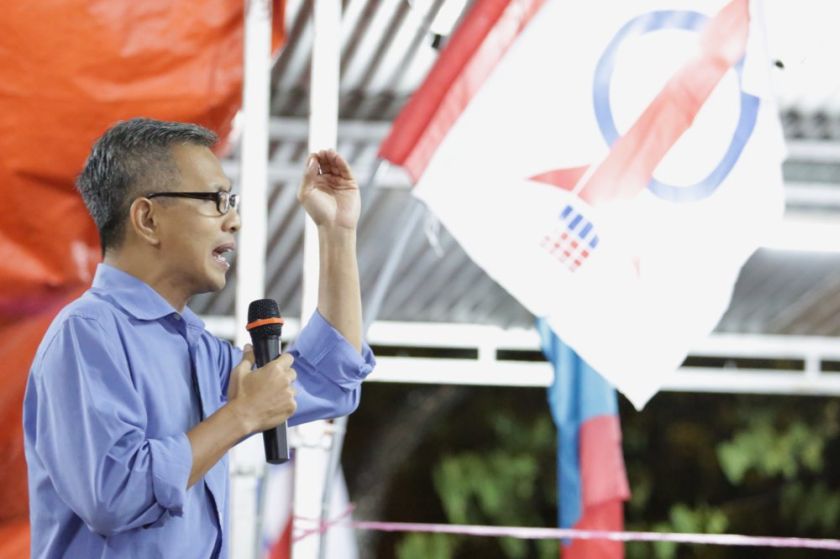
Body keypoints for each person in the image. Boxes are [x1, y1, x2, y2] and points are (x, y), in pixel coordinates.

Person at [22, 118, 375, 558]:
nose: (235, 220)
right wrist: (241, 415)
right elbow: (114, 495)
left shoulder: (200, 349)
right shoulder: (87, 335)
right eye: (216, 200)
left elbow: (331, 382)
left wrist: (337, 233)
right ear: (147, 219)